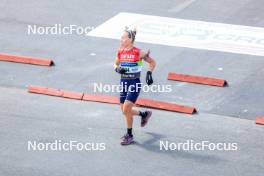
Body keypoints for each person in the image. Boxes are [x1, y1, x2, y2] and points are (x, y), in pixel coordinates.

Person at [113, 27, 156, 145]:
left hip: (134, 83)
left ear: (130, 39)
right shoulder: (121, 51)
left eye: (123, 37)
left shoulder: (138, 52)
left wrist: (149, 73)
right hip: (123, 83)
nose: (121, 39)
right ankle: (144, 114)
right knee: (124, 111)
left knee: (126, 108)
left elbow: (152, 62)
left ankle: (129, 135)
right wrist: (117, 69)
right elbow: (115, 63)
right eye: (121, 37)